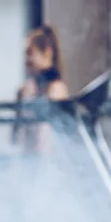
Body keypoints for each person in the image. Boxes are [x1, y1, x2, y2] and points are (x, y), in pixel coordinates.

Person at [13, 24, 70, 154]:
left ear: (47, 53)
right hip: (26, 162)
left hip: (49, 165)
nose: (26, 60)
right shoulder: (24, 92)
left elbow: (58, 137)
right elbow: (15, 137)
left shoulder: (56, 90)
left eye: (30, 53)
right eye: (25, 54)